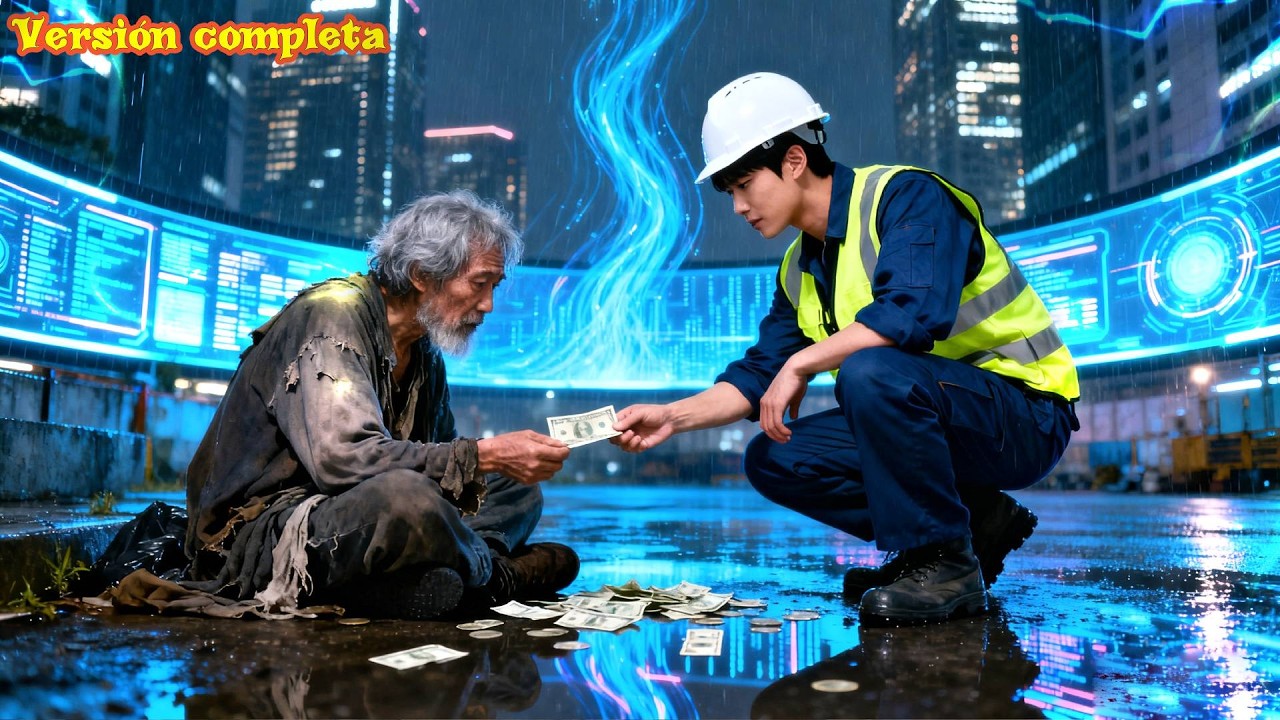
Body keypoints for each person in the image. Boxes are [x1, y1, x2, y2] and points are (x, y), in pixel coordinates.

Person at [612, 72, 1079, 625]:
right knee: (775, 456)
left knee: (870, 370)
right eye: (730, 193)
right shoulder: (797, 269)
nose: (737, 207)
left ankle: (946, 564)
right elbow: (756, 375)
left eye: (743, 185)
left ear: (792, 160)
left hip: (1024, 414)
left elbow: (910, 315)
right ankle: (964, 533)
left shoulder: (904, 197)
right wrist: (671, 415)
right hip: (942, 417)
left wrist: (804, 361)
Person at [183, 190, 580, 620]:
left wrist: (489, 462)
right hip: (269, 531)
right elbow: (343, 462)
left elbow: (439, 462)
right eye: (479, 284)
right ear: (421, 274)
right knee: (407, 499)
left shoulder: (424, 351)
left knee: (512, 487)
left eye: (494, 287)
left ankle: (442, 579)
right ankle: (493, 578)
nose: (488, 305)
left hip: (353, 513)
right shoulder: (330, 316)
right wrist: (482, 454)